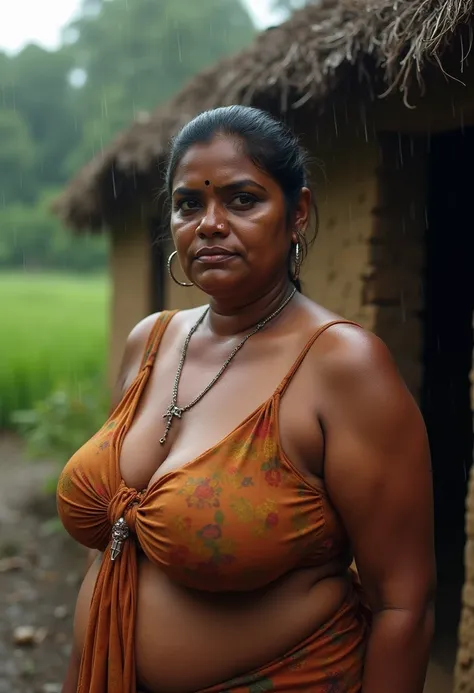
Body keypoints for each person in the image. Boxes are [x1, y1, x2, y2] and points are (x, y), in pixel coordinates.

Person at [58, 105, 436, 693]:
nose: (210, 224)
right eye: (189, 204)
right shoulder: (150, 342)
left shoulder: (341, 368)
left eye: (241, 200)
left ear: (297, 214)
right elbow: (114, 543)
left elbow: (403, 606)